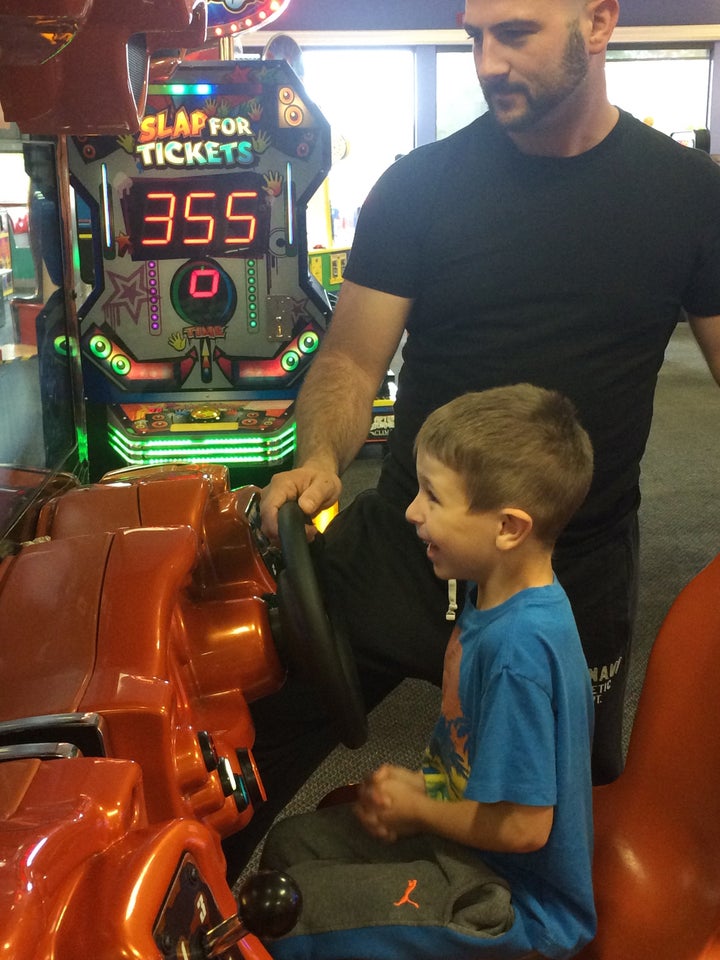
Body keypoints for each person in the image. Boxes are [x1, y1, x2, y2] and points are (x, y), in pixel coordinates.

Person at [237, 0, 720, 873]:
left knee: (560, 828)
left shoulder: (690, 195)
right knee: (237, 750)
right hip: (411, 537)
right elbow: (348, 362)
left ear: (600, 21)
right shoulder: (421, 185)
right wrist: (318, 457)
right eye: (475, 38)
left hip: (564, 571)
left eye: (517, 33)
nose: (488, 61)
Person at [260, 385, 596, 960]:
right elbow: (474, 755)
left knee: (294, 912)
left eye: (433, 498)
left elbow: (524, 829)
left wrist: (422, 809)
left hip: (514, 903)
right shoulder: (487, 591)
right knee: (292, 845)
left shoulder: (520, 653)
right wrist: (427, 790)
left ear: (509, 528)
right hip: (465, 848)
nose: (411, 511)